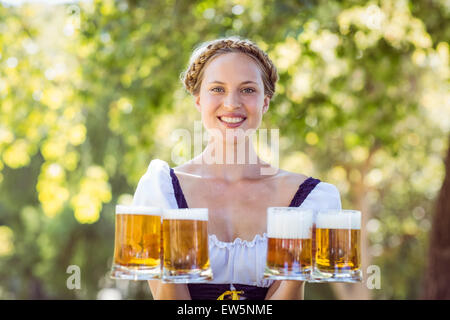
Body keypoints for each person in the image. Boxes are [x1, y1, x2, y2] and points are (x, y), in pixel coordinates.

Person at [132, 37, 342, 300]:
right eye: (217, 89)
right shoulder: (161, 192)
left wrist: (294, 274)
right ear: (198, 100)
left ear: (265, 102)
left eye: (248, 90)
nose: (232, 103)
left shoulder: (308, 198)